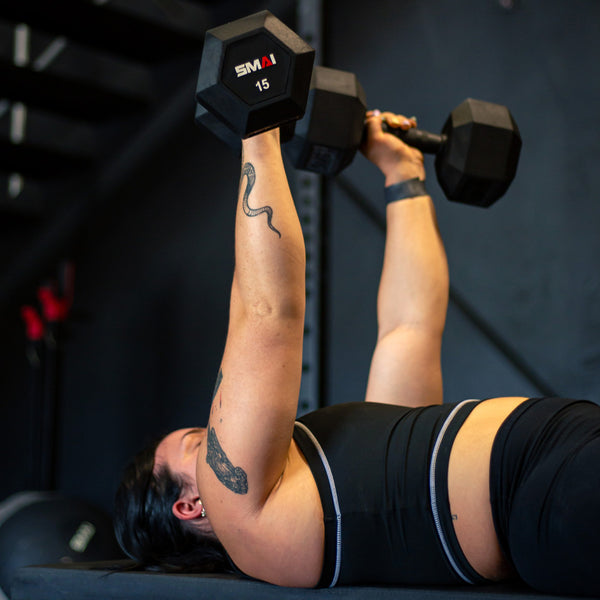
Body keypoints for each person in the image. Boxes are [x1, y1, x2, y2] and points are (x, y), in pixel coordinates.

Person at [114, 111, 600, 597]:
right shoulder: (240, 511)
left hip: (564, 456)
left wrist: (402, 175)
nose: (222, 425)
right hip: (548, 497)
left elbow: (409, 329)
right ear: (192, 506)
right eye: (201, 443)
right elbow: (266, 313)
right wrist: (257, 124)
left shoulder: (335, 473)